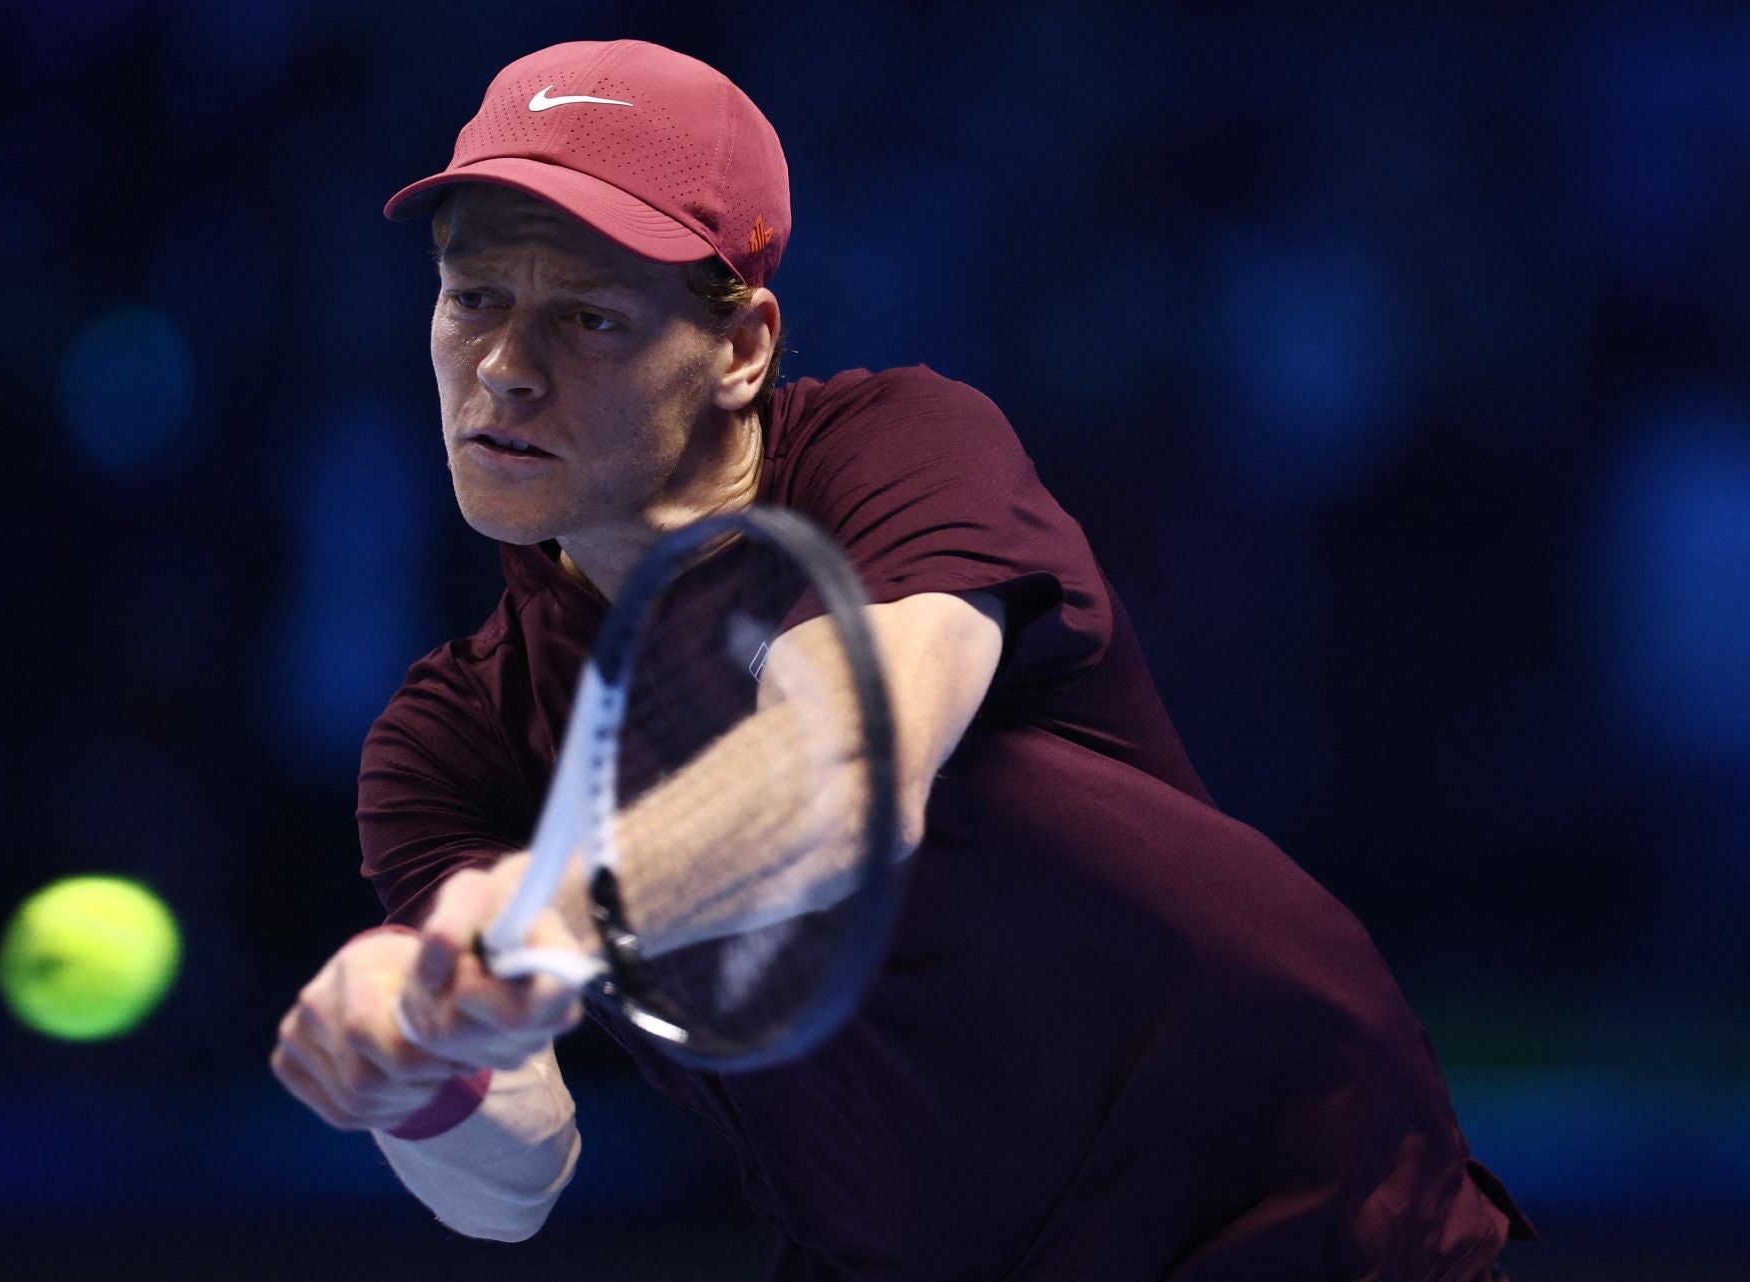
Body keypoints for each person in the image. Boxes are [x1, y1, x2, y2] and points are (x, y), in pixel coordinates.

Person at [270, 38, 1535, 1280]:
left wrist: (544, 914)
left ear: (743, 348)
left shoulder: (903, 447)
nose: (502, 369)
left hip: (1288, 1210)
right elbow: (517, 1180)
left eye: (588, 317)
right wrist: (420, 1070)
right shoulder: (449, 740)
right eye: (473, 296)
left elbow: (842, 775)